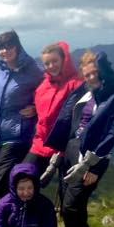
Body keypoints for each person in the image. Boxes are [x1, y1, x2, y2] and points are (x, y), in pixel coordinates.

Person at [44, 50, 114, 227]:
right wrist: (58, 154)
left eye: (94, 73)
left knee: (72, 207)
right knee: (68, 207)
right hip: (71, 151)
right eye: (87, 74)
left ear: (102, 71)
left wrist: (93, 167)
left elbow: (111, 134)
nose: (90, 77)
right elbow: (68, 121)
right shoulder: (85, 91)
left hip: (91, 158)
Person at [0, 30, 43, 201]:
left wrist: (35, 107)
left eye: (8, 46)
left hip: (16, 137)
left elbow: (48, 90)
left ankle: (1, 223)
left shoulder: (32, 69)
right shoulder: (1, 69)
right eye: (0, 48)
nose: (4, 51)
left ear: (17, 46)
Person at [24, 42, 84, 178]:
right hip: (40, 143)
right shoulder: (43, 85)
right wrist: (33, 108)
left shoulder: (76, 84)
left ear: (64, 59)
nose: (51, 66)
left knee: (66, 191)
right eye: (47, 63)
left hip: (63, 147)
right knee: (23, 178)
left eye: (54, 61)